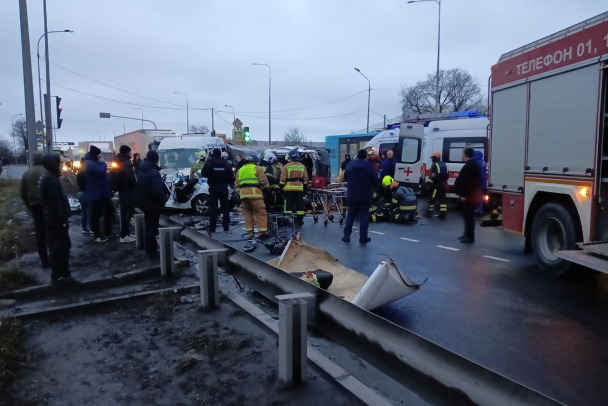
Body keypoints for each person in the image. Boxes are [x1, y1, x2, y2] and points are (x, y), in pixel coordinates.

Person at [38, 153, 75, 286]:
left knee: (60, 246)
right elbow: (56, 203)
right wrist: (63, 219)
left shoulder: (47, 177)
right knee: (60, 247)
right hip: (57, 220)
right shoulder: (50, 180)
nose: (61, 165)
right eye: (59, 163)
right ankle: (60, 275)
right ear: (53, 164)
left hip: (53, 218)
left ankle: (61, 274)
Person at [136, 150, 170, 258]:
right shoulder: (154, 172)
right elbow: (157, 191)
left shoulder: (142, 170)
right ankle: (152, 252)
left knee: (149, 226)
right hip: (153, 204)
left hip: (145, 202)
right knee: (152, 228)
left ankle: (150, 250)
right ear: (155, 159)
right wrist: (164, 200)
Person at [20, 152, 50, 268]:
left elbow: (23, 193)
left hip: (35, 206)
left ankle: (44, 260)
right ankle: (54, 256)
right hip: (48, 205)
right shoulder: (47, 172)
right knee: (52, 231)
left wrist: (28, 205)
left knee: (40, 233)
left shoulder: (27, 174)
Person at [342, 149, 377, 244]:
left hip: (352, 195)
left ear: (357, 155)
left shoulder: (351, 165)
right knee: (364, 217)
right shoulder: (369, 166)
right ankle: (363, 237)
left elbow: (345, 177)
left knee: (350, 216)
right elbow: (375, 179)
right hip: (365, 195)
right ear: (366, 156)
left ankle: (346, 236)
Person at [85, 145, 115, 242]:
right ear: (96, 155)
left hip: (101, 193)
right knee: (96, 215)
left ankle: (107, 232)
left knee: (109, 211)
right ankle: (98, 235)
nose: (101, 156)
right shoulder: (91, 163)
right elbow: (101, 172)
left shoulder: (91, 162)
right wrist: (103, 163)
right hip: (97, 194)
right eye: (99, 155)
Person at [236, 153, 269, 239]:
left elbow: (236, 185)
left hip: (243, 195)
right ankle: (262, 233)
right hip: (255, 195)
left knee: (247, 214)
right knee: (260, 213)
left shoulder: (240, 170)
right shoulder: (257, 168)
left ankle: (250, 233)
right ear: (254, 161)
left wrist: (240, 193)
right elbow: (264, 182)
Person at [201, 148, 234, 232]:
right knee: (225, 208)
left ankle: (212, 228)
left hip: (213, 187)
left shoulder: (209, 163)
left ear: (212, 154)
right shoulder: (226, 163)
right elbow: (231, 175)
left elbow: (203, 174)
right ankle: (226, 227)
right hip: (223, 187)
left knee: (213, 208)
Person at [454, 147, 482, 244]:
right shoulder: (471, 164)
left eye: (463, 154)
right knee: (466, 216)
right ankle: (466, 234)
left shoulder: (470, 165)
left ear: (466, 155)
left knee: (468, 216)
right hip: (470, 195)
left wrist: (465, 195)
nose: (462, 156)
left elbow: (469, 182)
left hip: (469, 197)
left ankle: (470, 237)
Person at [114, 145, 137, 242]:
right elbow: (130, 179)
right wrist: (136, 187)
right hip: (127, 192)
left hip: (122, 191)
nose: (131, 153)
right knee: (127, 214)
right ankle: (124, 236)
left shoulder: (118, 161)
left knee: (124, 213)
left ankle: (126, 233)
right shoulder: (126, 163)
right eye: (130, 151)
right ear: (126, 152)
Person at [280, 148, 308, 225]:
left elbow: (283, 179)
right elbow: (305, 179)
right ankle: (300, 220)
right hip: (299, 189)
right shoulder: (302, 166)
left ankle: (288, 220)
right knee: (300, 204)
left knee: (288, 205)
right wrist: (305, 187)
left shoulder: (286, 166)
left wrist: (280, 187)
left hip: (288, 189)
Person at [425, 152, 449, 219]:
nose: (432, 159)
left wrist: (428, 183)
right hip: (443, 185)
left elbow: (432, 175)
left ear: (436, 158)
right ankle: (443, 215)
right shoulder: (445, 164)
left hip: (436, 185)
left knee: (432, 199)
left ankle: (429, 213)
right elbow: (447, 175)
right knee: (443, 200)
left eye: (432, 158)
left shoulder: (434, 165)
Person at [76, 156, 91, 234]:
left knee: (84, 212)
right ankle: (91, 228)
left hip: (80, 193)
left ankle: (84, 229)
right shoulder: (85, 172)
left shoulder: (79, 172)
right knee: (89, 212)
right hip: (86, 193)